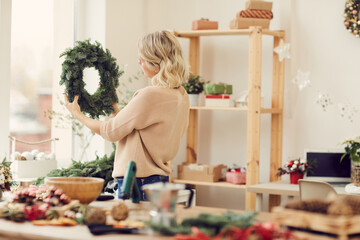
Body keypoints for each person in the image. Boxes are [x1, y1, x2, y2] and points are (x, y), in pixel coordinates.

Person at [64, 30, 190, 201]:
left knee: (132, 225)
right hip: (159, 179)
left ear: (157, 63)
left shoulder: (150, 95)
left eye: (142, 59)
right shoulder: (180, 95)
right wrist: (115, 106)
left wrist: (77, 114)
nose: (139, 62)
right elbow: (135, 129)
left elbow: (111, 131)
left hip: (137, 180)